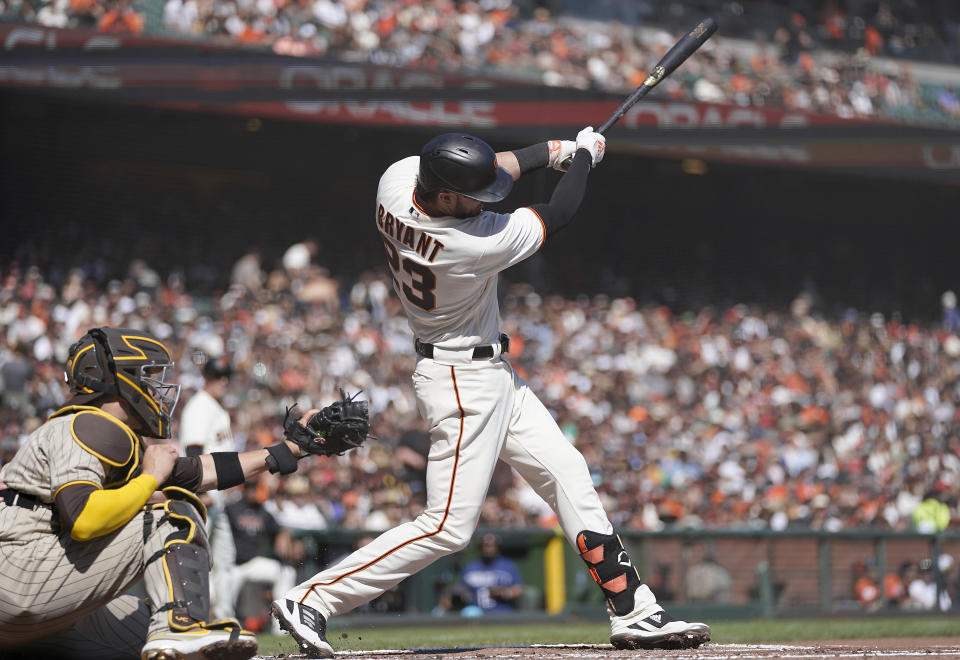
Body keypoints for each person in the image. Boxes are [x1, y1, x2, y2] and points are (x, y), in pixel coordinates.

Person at [272, 130, 710, 656]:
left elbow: (490, 167)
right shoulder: (473, 241)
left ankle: (633, 610)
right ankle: (313, 598)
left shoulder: (397, 181)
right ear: (447, 197)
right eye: (472, 195)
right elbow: (560, 211)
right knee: (448, 528)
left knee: (566, 471)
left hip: (488, 369)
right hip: (461, 381)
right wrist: (584, 162)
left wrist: (556, 150)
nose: (485, 198)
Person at [0, 326, 324, 660]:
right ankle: (180, 629)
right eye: (148, 376)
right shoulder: (86, 425)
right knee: (171, 512)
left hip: (28, 594)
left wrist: (289, 449)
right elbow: (83, 518)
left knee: (166, 641)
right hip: (20, 580)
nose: (157, 388)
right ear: (118, 379)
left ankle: (175, 636)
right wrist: (149, 481)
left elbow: (200, 471)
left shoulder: (100, 430)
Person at [179, 353, 239, 621]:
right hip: (204, 495)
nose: (223, 381)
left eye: (226, 377)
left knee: (225, 560)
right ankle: (197, 615)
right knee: (199, 557)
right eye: (217, 376)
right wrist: (201, 491)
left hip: (220, 497)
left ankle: (224, 616)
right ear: (207, 378)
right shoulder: (200, 405)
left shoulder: (217, 407)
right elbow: (193, 450)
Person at [225, 480, 299, 632]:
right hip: (230, 567)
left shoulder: (262, 511)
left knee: (287, 572)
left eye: (254, 489)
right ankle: (225, 628)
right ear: (244, 490)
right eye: (249, 489)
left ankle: (280, 627)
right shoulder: (231, 509)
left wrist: (283, 535)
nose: (252, 492)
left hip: (253, 564)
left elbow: (280, 529)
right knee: (222, 599)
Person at [460, 533, 524, 613]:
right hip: (476, 613)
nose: (489, 549)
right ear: (480, 547)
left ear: (497, 547)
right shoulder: (470, 567)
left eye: (492, 546)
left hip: (502, 612)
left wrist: (504, 592)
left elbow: (519, 589)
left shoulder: (508, 566)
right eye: (486, 545)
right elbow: (462, 590)